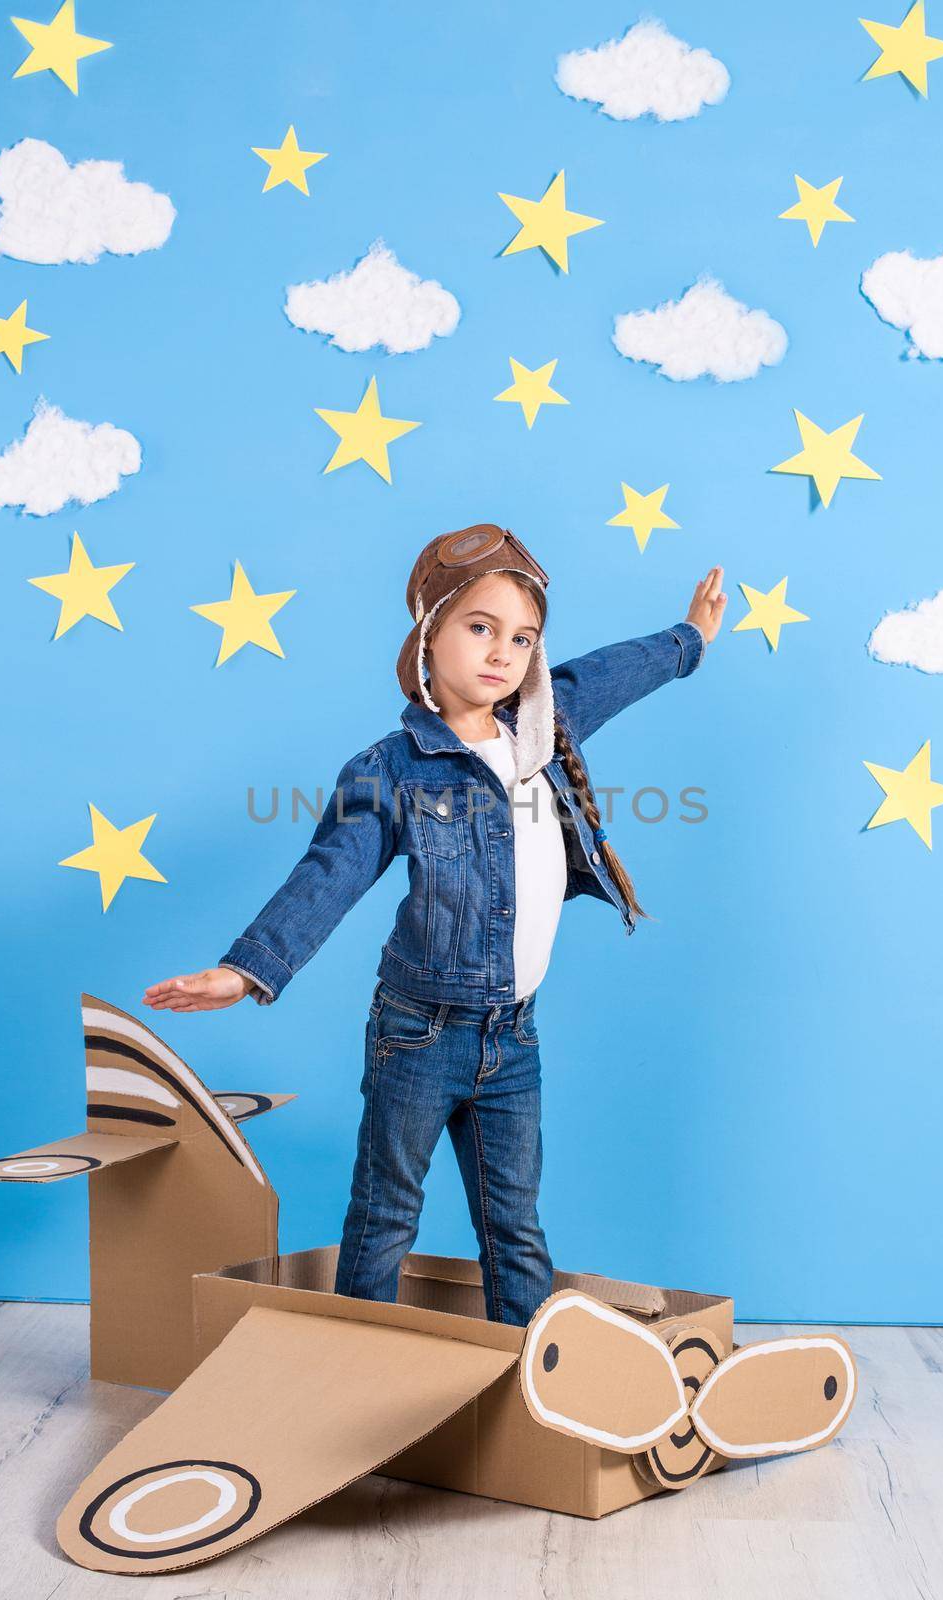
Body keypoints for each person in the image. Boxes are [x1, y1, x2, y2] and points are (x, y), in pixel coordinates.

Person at [143, 524, 727, 1324]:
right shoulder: (391, 768)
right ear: (429, 631)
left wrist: (688, 638)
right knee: (386, 1216)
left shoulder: (545, 727)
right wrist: (246, 970)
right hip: (417, 1034)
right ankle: (352, 1373)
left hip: (512, 1036)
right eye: (479, 627)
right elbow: (331, 872)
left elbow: (614, 672)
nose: (502, 654)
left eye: (522, 639)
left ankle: (526, 1389)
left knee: (514, 1227)